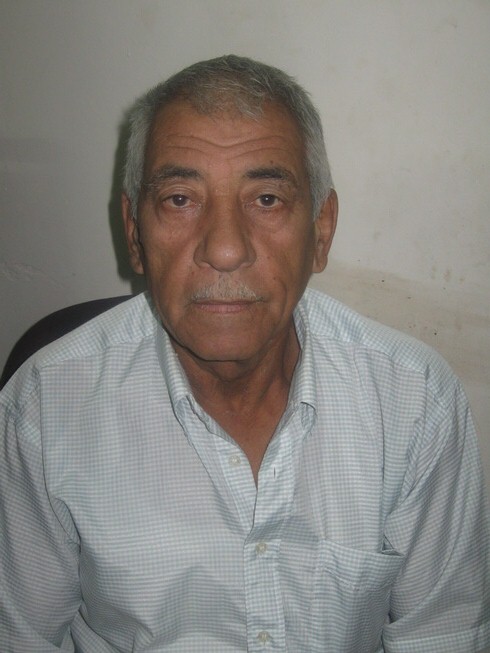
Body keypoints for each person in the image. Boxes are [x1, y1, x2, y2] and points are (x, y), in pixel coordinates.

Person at [0, 55, 489, 653]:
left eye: (267, 199)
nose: (226, 249)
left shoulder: (414, 401)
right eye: (180, 198)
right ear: (134, 233)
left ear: (321, 230)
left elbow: (443, 633)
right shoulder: (45, 408)